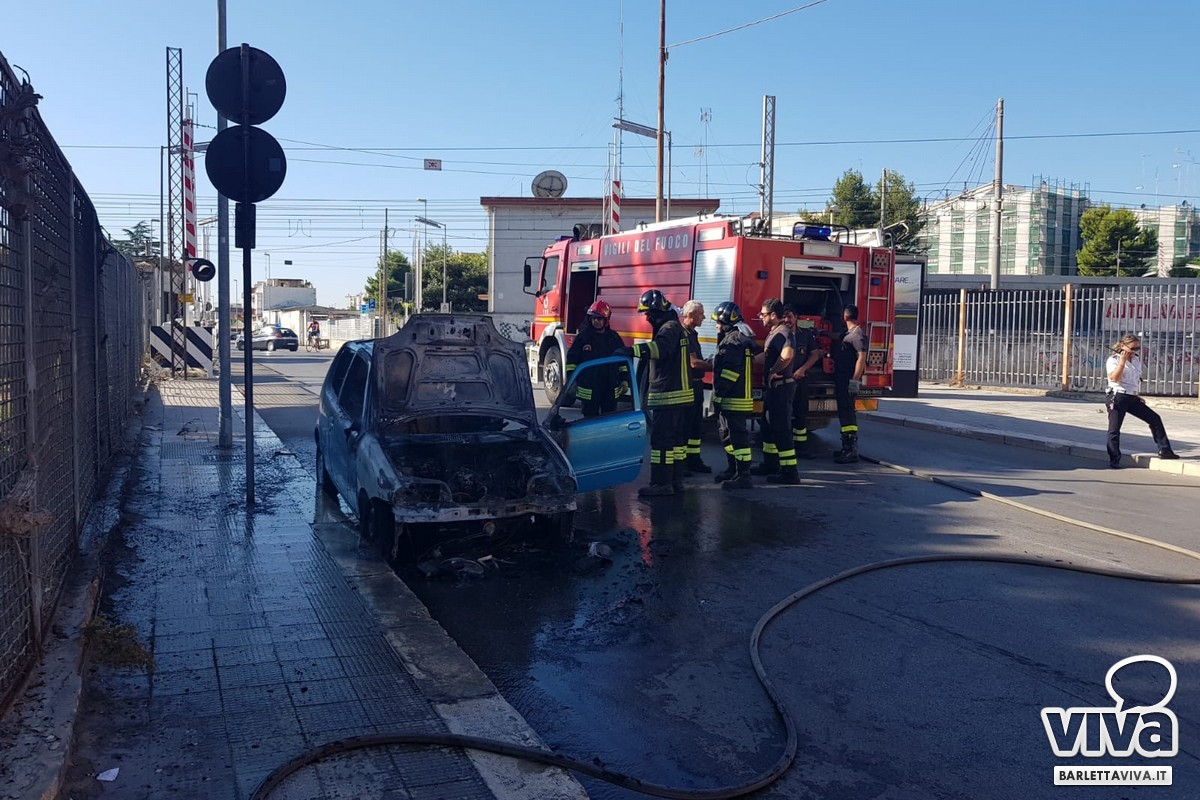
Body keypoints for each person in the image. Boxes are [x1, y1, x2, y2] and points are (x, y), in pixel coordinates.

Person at [623, 289, 693, 497]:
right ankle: (675, 481)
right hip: (679, 396)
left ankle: (661, 483)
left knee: (661, 443)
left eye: (648, 313)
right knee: (676, 443)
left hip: (668, 394)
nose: (647, 318)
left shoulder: (669, 328)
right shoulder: (675, 326)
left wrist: (632, 351)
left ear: (657, 311)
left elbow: (660, 350)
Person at [1105, 334, 1179, 468]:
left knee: (1155, 419)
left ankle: (1165, 450)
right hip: (1117, 397)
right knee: (1114, 429)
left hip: (1131, 397)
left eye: (1137, 348)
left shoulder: (1136, 360)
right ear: (1122, 346)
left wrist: (1136, 395)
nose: (1134, 351)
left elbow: (1134, 381)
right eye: (1132, 348)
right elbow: (1115, 378)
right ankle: (1114, 458)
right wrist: (1122, 362)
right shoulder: (1113, 360)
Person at [709, 301, 761, 490]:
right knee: (727, 434)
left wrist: (719, 394)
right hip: (736, 397)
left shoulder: (733, 341)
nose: (716, 326)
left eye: (718, 322)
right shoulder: (739, 338)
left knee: (738, 437)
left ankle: (743, 475)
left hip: (734, 398)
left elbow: (730, 372)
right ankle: (733, 469)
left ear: (726, 321)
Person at [752, 298, 799, 484]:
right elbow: (768, 355)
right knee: (767, 426)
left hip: (782, 387)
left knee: (781, 429)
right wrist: (748, 360)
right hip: (773, 389)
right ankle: (770, 464)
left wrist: (773, 371)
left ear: (773, 315)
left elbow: (787, 355)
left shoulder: (784, 332)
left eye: (763, 314)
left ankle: (789, 472)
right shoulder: (774, 333)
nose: (761, 317)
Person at [565, 300, 629, 417]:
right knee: (589, 422)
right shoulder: (583, 338)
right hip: (589, 391)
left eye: (599, 319)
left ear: (606, 320)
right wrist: (571, 381)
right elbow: (571, 361)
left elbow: (622, 362)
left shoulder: (614, 339)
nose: (596, 321)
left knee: (609, 421)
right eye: (593, 318)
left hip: (609, 390)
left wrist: (624, 380)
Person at [785, 304, 823, 460]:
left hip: (800, 380)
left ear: (796, 318)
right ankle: (785, 446)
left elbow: (815, 354)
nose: (787, 320)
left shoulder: (805, 334)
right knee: (784, 415)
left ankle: (801, 447)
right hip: (784, 381)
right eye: (784, 317)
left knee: (800, 414)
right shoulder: (780, 334)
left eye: (790, 317)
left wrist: (803, 369)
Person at [832, 304, 868, 464]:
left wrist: (854, 380)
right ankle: (846, 448)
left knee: (847, 413)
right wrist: (821, 333)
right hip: (841, 379)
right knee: (843, 412)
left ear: (845, 317)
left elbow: (861, 359)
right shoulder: (849, 334)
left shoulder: (858, 335)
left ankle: (851, 450)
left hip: (848, 380)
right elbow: (838, 336)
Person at [679, 300, 712, 474]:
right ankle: (682, 463)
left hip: (697, 386)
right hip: (688, 386)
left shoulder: (692, 333)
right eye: (701, 314)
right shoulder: (683, 334)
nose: (703, 317)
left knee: (696, 425)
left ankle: (694, 459)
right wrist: (715, 366)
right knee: (686, 425)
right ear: (690, 315)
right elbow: (693, 363)